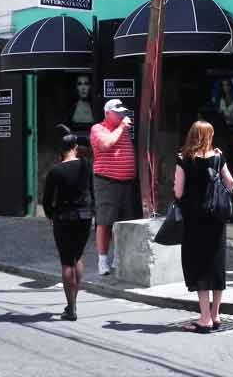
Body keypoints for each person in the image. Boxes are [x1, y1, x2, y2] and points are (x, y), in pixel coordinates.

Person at [174, 121, 233, 333]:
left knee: (198, 264)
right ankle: (216, 314)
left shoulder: (183, 159)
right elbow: (231, 183)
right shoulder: (218, 157)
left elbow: (179, 192)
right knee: (216, 263)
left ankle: (205, 317)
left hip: (194, 219)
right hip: (216, 218)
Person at [42, 125, 94, 321]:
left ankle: (71, 307)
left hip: (64, 217)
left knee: (66, 262)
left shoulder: (56, 171)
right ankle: (74, 301)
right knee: (77, 257)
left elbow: (47, 201)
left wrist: (51, 216)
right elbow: (92, 191)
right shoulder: (86, 165)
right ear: (75, 147)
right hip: (85, 216)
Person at [90, 99, 142, 276]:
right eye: (117, 112)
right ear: (107, 113)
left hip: (126, 183)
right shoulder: (98, 129)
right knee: (104, 222)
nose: (121, 115)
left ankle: (119, 258)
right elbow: (105, 144)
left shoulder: (123, 130)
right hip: (107, 182)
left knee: (124, 223)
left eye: (122, 112)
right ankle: (103, 260)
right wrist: (120, 128)